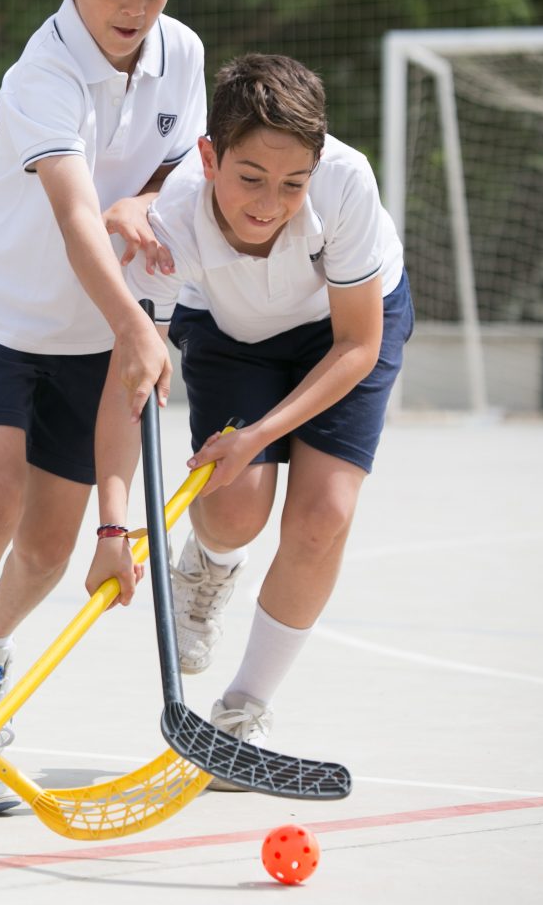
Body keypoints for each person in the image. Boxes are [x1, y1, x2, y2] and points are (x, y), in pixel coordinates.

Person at [0, 0, 205, 814]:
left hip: (96, 331)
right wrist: (137, 328)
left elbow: (178, 175)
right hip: (4, 314)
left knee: (48, 546)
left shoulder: (184, 54)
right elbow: (78, 216)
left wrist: (146, 209)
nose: (133, 6)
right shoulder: (40, 74)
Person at [115, 53, 411, 789]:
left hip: (341, 329)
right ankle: (207, 561)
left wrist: (256, 433)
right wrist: (112, 522)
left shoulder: (344, 181)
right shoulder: (172, 216)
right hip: (229, 328)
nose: (269, 202)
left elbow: (356, 343)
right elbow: (124, 374)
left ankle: (241, 713)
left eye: (292, 183)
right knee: (235, 507)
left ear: (317, 165)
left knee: (322, 515)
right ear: (209, 156)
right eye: (249, 178)